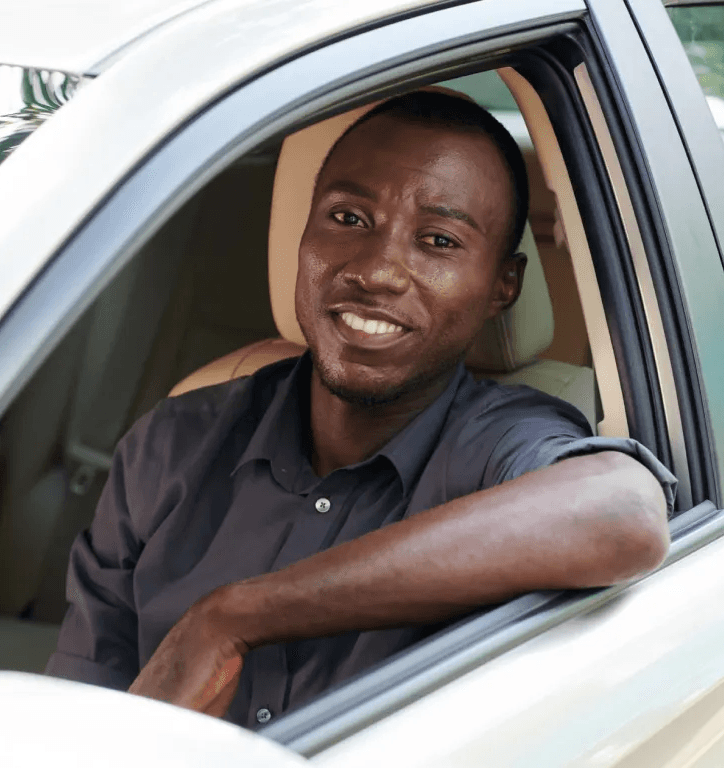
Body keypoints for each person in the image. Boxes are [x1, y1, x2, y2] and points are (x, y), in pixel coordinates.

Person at [45, 91, 676, 726]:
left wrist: (234, 618)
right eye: (348, 219)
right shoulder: (172, 443)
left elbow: (623, 515)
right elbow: (79, 717)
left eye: (438, 240)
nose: (377, 271)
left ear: (501, 288)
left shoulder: (503, 444)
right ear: (304, 234)